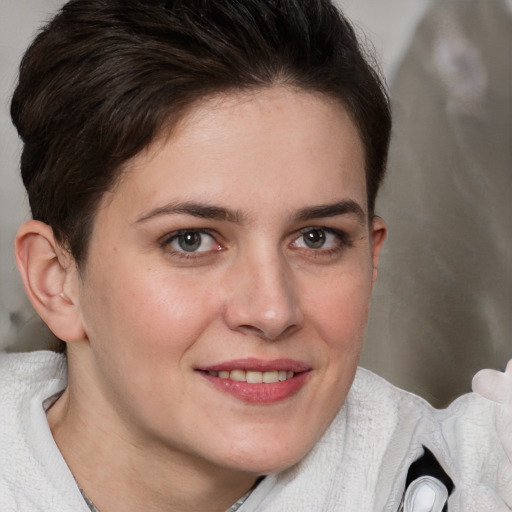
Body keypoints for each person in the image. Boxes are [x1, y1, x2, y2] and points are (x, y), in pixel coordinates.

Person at [0, 1, 510, 511]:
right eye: (192, 241)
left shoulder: (478, 480)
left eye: (317, 238)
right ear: (55, 280)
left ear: (371, 259)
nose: (272, 312)